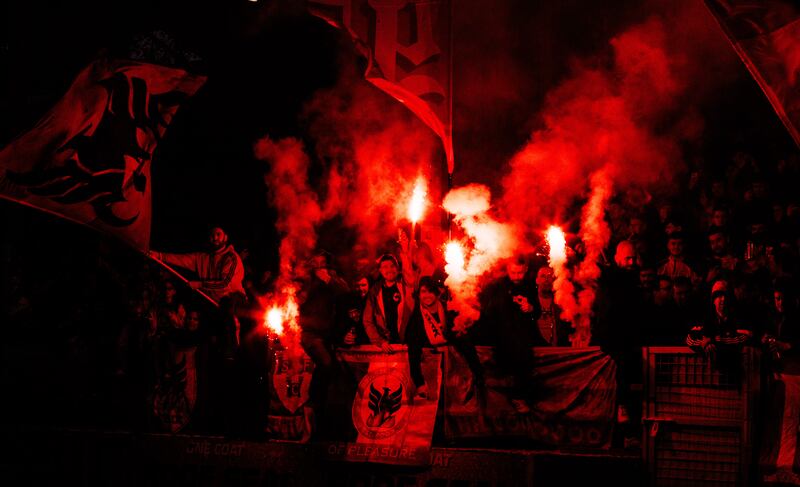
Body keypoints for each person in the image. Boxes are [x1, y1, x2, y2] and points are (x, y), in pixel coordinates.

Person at [477, 255, 538, 413]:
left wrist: (529, 308)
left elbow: (536, 311)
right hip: (500, 334)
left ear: (525, 269)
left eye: (520, 273)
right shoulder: (497, 286)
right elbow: (488, 312)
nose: (517, 277)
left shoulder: (530, 286)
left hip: (523, 335)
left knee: (524, 357)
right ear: (507, 270)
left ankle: (519, 397)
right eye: (513, 273)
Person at [405, 276, 484, 399]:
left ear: (436, 293)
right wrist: (419, 382)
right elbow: (413, 351)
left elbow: (463, 341)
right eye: (423, 292)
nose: (427, 295)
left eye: (430, 291)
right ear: (419, 295)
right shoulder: (416, 318)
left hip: (452, 369)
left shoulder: (448, 310)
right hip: (430, 371)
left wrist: (477, 372)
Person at [363, 232, 418, 352]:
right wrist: (379, 342)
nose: (389, 270)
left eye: (392, 266)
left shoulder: (405, 286)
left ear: (398, 269)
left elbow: (409, 275)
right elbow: (367, 320)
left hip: (406, 344)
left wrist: (404, 250)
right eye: (385, 267)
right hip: (385, 345)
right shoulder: (375, 291)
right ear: (380, 270)